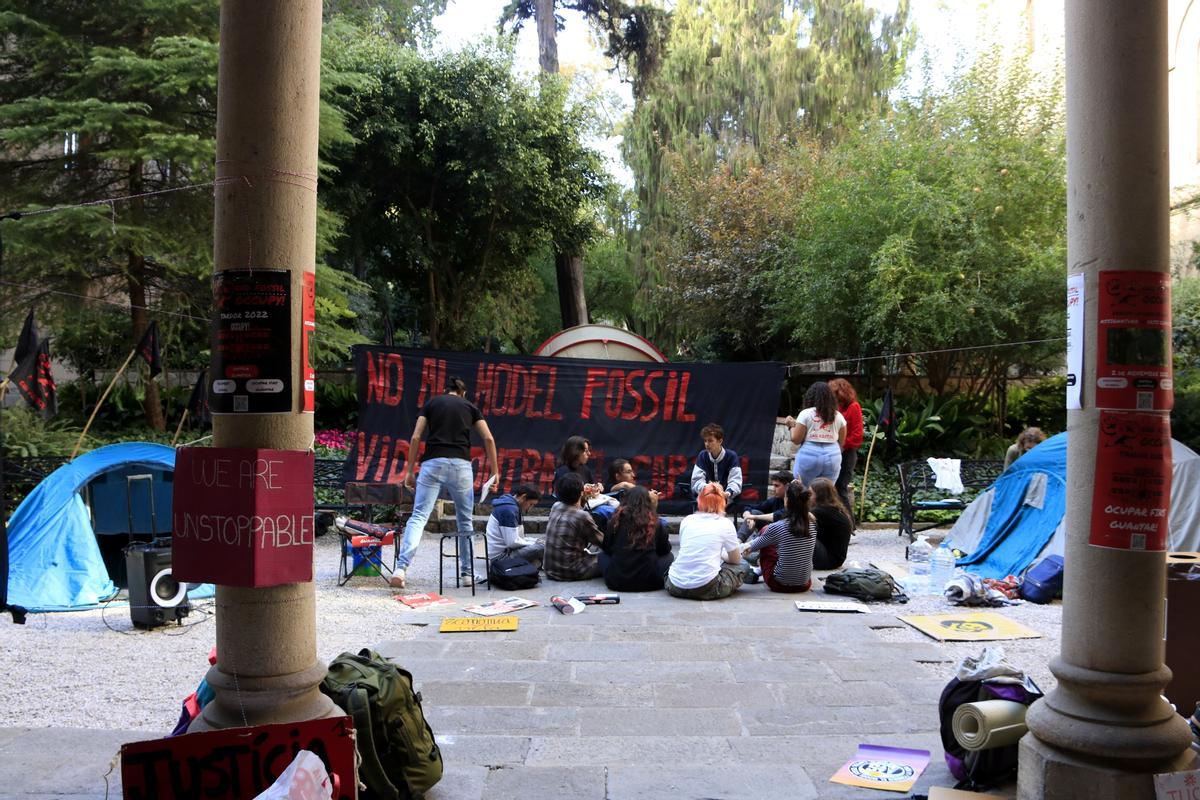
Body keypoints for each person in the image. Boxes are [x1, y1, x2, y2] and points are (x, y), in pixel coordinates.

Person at [395, 376, 499, 589]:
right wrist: (495, 472)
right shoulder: (470, 407)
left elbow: (415, 437)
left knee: (419, 516)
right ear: (463, 393)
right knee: (464, 521)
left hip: (433, 463)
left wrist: (409, 472)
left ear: (445, 390)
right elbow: (488, 439)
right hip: (460, 465)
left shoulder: (432, 403)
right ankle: (467, 574)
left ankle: (401, 568)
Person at [665, 483, 744, 600]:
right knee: (743, 565)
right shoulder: (725, 523)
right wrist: (722, 554)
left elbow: (685, 547)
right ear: (723, 502)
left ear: (699, 500)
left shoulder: (687, 520)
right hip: (707, 587)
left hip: (674, 585)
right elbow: (735, 559)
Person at [744, 480, 816, 593]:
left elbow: (749, 548)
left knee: (766, 536)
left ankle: (758, 569)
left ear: (787, 501)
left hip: (779, 584)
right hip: (805, 583)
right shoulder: (813, 524)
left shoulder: (777, 527)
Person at [600, 486, 674, 592]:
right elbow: (664, 550)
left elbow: (606, 548)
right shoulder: (655, 522)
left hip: (617, 582)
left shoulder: (615, 521)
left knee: (602, 556)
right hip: (650, 582)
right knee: (669, 557)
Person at [543, 473, 604, 581]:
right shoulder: (582, 516)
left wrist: (583, 498)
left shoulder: (556, 506)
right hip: (571, 571)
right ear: (581, 493)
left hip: (550, 569)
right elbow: (602, 542)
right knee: (608, 558)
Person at [787, 382, 846, 485]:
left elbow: (796, 439)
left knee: (802, 489)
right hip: (833, 455)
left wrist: (791, 426)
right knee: (827, 492)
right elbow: (841, 441)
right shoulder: (838, 416)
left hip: (809, 454)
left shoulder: (805, 413)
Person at [828, 378, 863, 525]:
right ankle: (839, 522)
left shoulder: (853, 407)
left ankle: (849, 525)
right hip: (834, 452)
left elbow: (857, 435)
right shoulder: (834, 409)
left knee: (841, 487)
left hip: (847, 453)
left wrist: (841, 445)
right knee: (833, 488)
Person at [485, 484, 544, 569]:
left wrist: (535, 541)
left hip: (506, 552)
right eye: (531, 504)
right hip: (500, 558)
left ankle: (535, 564)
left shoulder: (511, 505)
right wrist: (534, 543)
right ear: (523, 497)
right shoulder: (509, 510)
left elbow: (518, 538)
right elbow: (512, 542)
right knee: (543, 546)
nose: (530, 508)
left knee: (543, 542)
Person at [689, 423, 743, 504]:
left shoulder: (731, 456)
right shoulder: (702, 455)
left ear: (720, 441)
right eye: (705, 441)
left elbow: (735, 480)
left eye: (710, 440)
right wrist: (709, 489)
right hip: (706, 497)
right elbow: (696, 481)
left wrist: (727, 493)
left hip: (725, 498)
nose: (707, 444)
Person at [737, 470, 794, 542]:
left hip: (788, 542)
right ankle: (738, 542)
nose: (773, 489)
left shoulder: (797, 502)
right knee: (754, 512)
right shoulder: (775, 500)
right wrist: (747, 514)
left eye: (777, 486)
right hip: (773, 537)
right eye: (773, 485)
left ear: (787, 487)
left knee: (754, 514)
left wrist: (753, 516)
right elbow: (749, 507)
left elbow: (779, 515)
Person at [809, 477, 852, 570]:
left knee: (800, 530)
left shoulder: (822, 511)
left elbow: (796, 516)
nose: (808, 496)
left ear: (819, 495)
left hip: (829, 561)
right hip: (835, 559)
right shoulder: (832, 508)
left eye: (810, 493)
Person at [554, 435, 603, 500]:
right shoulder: (561, 472)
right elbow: (564, 498)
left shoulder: (585, 469)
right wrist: (583, 491)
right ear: (575, 452)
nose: (589, 453)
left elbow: (592, 486)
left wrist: (597, 487)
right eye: (586, 451)